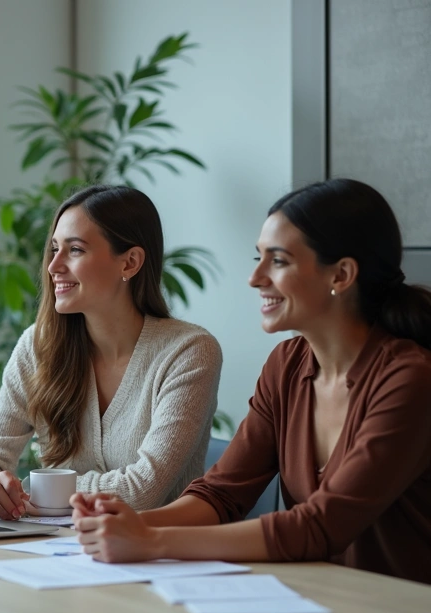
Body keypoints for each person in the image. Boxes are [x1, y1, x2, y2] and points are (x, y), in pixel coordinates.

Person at [70, 179, 431, 585]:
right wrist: (130, 524)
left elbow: (319, 526)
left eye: (278, 261)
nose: (255, 278)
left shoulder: (410, 379)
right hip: (321, 599)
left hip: (403, 609)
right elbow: (222, 494)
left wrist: (151, 541)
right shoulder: (287, 365)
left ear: (342, 274)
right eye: (259, 258)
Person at [0, 185, 222, 519]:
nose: (53, 266)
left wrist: (37, 490)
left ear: (130, 262)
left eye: (75, 250)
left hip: (157, 547)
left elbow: (142, 491)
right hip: (53, 544)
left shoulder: (189, 352)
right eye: (54, 249)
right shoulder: (38, 346)